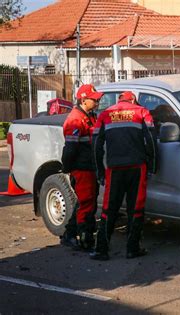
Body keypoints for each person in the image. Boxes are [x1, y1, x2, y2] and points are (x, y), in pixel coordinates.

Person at [90, 91, 158, 260]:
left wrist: (99, 170)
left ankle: (101, 250)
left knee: (109, 209)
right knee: (136, 208)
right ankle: (132, 249)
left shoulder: (105, 114)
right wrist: (153, 165)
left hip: (114, 168)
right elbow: (151, 139)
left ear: (119, 100)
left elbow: (96, 143)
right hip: (137, 167)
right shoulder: (142, 112)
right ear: (133, 99)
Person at [60, 84, 103, 250]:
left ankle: (71, 234)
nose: (98, 101)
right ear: (84, 100)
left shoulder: (88, 116)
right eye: (95, 99)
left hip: (89, 166)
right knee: (86, 203)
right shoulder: (76, 120)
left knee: (88, 202)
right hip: (82, 168)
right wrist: (68, 169)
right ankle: (82, 238)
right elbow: (70, 149)